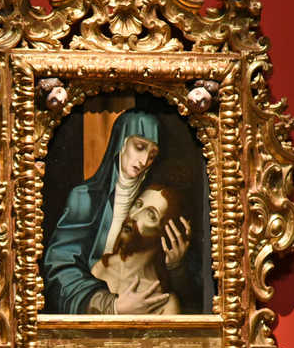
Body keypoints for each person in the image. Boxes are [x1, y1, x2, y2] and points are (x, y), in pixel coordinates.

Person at [43, 109, 191, 314]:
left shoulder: (151, 198)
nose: (143, 161)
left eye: (152, 155)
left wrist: (176, 268)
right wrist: (111, 306)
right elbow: (59, 268)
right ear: (121, 142)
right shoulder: (85, 198)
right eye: (139, 147)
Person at [89, 184, 187, 314]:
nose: (134, 215)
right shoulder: (101, 268)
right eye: (138, 205)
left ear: (166, 234)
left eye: (151, 215)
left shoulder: (164, 302)